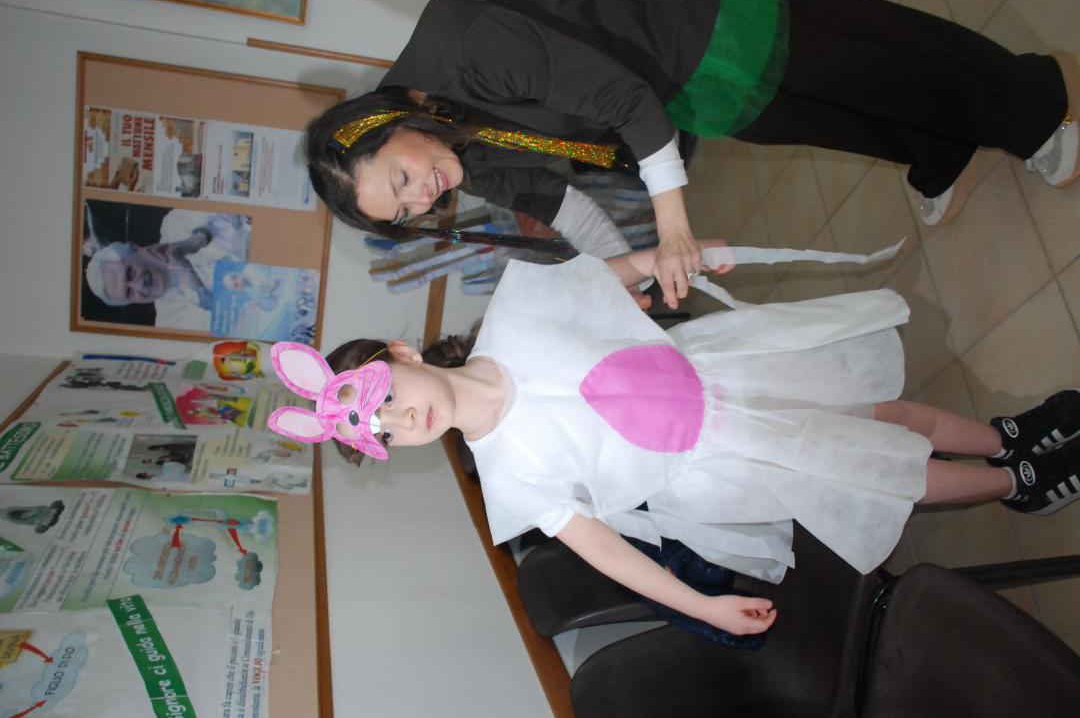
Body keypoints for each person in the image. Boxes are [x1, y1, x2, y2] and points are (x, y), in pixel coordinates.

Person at [267, 242, 1080, 635]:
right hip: (717, 464)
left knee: (883, 413)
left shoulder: (515, 306)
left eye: (383, 397)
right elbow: (608, 550)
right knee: (880, 468)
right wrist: (703, 605)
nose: (399, 419)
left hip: (723, 371)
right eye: (380, 432)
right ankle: (1021, 483)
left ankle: (1006, 436)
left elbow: (603, 278)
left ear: (402, 353)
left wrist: (665, 256)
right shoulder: (508, 479)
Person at [305, 0, 1080, 310]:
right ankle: (939, 148)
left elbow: (622, 101)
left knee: (875, 60)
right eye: (406, 208)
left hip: (687, 23)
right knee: (819, 117)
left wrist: (673, 224)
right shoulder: (444, 146)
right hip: (674, 86)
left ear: (383, 121)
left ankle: (1032, 106)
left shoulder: (464, 47)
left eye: (401, 178)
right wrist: (628, 273)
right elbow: (553, 201)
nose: (425, 195)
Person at [85, 211, 251, 330]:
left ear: (135, 248)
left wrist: (198, 239)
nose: (139, 285)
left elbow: (236, 209)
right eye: (129, 292)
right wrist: (197, 289)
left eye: (130, 273)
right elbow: (240, 326)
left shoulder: (175, 222)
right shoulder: (170, 323)